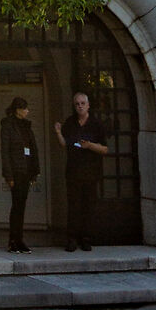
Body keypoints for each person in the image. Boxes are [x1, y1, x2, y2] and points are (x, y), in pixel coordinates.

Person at [56, 88, 109, 252]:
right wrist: (58, 133)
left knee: (88, 207)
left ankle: (86, 239)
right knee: (74, 207)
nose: (80, 106)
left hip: (91, 172)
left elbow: (105, 149)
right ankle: (72, 239)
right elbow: (65, 144)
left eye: (82, 103)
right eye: (77, 104)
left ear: (88, 105)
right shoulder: (70, 123)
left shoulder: (96, 124)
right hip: (73, 172)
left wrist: (90, 145)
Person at [0, 97, 40, 254]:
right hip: (16, 170)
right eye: (25, 109)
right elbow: (5, 152)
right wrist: (8, 175)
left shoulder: (26, 126)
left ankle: (19, 238)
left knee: (21, 205)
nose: (27, 111)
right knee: (17, 205)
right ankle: (13, 240)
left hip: (26, 170)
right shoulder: (8, 126)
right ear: (18, 109)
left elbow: (33, 148)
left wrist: (34, 171)